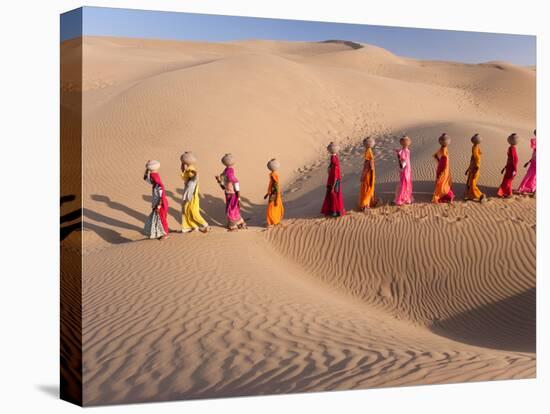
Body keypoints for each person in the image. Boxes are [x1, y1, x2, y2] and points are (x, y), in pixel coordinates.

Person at [215, 154, 246, 231]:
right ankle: (240, 222)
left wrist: (238, 198)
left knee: (231, 210)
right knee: (233, 209)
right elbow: (223, 186)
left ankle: (233, 225)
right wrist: (218, 181)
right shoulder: (226, 172)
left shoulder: (229, 173)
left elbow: (236, 184)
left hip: (232, 194)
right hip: (228, 193)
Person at [180, 151, 209, 233]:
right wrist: (182, 163)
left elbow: (195, 176)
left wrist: (195, 173)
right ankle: (193, 227)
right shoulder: (188, 179)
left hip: (192, 198)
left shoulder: (193, 180)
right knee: (186, 211)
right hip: (188, 197)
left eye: (190, 173)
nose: (188, 174)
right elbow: (184, 172)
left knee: (194, 212)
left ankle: (206, 225)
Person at [143, 160, 169, 240]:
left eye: (152, 178)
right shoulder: (155, 184)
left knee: (162, 218)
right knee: (158, 218)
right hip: (157, 204)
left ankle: (166, 234)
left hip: (160, 204)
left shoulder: (158, 186)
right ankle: (160, 232)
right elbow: (145, 178)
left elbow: (161, 197)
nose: (151, 179)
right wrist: (148, 169)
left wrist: (158, 206)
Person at [321, 142, 345, 217]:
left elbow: (335, 177)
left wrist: (333, 187)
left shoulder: (335, 166)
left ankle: (335, 211)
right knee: (333, 196)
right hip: (332, 182)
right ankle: (333, 211)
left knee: (334, 196)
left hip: (333, 183)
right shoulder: (334, 164)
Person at [432, 133, 455, 203]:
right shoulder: (444, 149)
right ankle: (447, 194)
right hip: (442, 166)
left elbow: (443, 159)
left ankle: (445, 195)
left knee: (441, 180)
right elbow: (441, 158)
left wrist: (443, 170)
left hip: (443, 167)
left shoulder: (443, 149)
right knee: (443, 180)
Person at [464, 133, 485, 202]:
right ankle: (471, 196)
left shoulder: (476, 150)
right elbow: (472, 161)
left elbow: (477, 162)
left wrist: (476, 171)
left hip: (475, 170)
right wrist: (468, 169)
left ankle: (480, 195)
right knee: (470, 183)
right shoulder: (474, 147)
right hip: (472, 169)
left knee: (472, 184)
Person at [497, 133, 519, 198]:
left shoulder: (511, 148)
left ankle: (508, 192)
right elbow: (513, 160)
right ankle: (504, 192)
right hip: (511, 168)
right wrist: (514, 169)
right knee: (508, 180)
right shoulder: (512, 149)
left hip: (510, 167)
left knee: (508, 180)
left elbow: (511, 159)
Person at [264, 158, 284, 226]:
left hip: (274, 197)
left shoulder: (274, 178)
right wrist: (267, 194)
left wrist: (275, 199)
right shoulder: (273, 176)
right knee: (273, 209)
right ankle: (274, 221)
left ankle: (273, 221)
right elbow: (272, 187)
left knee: (271, 210)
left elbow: (276, 189)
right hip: (273, 196)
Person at [358, 137, 377, 211]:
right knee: (369, 188)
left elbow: (368, 164)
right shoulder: (369, 151)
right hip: (371, 173)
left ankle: (365, 205)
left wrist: (363, 175)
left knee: (366, 188)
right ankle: (368, 203)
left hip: (368, 174)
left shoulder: (368, 152)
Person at [394, 135, 413, 205]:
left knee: (405, 183)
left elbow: (402, 163)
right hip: (406, 170)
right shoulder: (406, 151)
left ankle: (404, 197)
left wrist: (399, 156)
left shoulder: (404, 151)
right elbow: (403, 163)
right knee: (405, 183)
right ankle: (404, 197)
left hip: (405, 170)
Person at [518, 129, 536, 195]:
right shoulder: (535, 141)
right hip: (534, 161)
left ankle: (531, 188)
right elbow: (534, 149)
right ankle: (528, 188)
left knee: (532, 175)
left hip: (534, 160)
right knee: (531, 175)